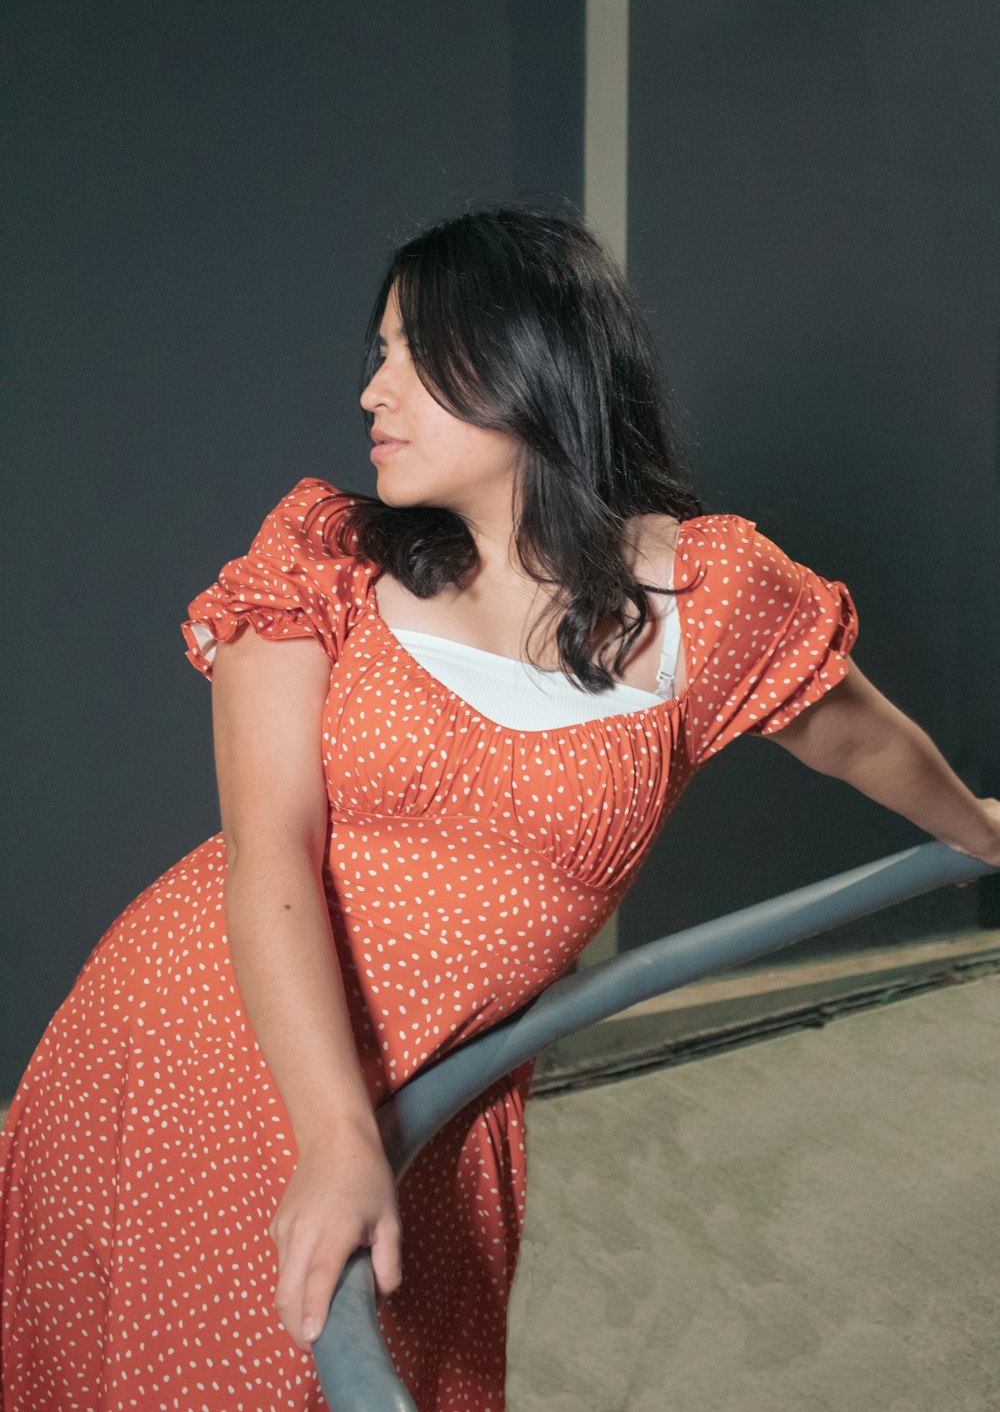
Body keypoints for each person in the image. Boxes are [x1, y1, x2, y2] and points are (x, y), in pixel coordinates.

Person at [2, 203, 998, 1412]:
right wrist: (331, 1137)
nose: (375, 392)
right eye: (375, 358)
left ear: (535, 360)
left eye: (414, 356)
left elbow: (863, 741)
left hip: (438, 1097)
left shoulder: (713, 599)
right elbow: (267, 858)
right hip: (209, 1046)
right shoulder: (324, 566)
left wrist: (979, 831)